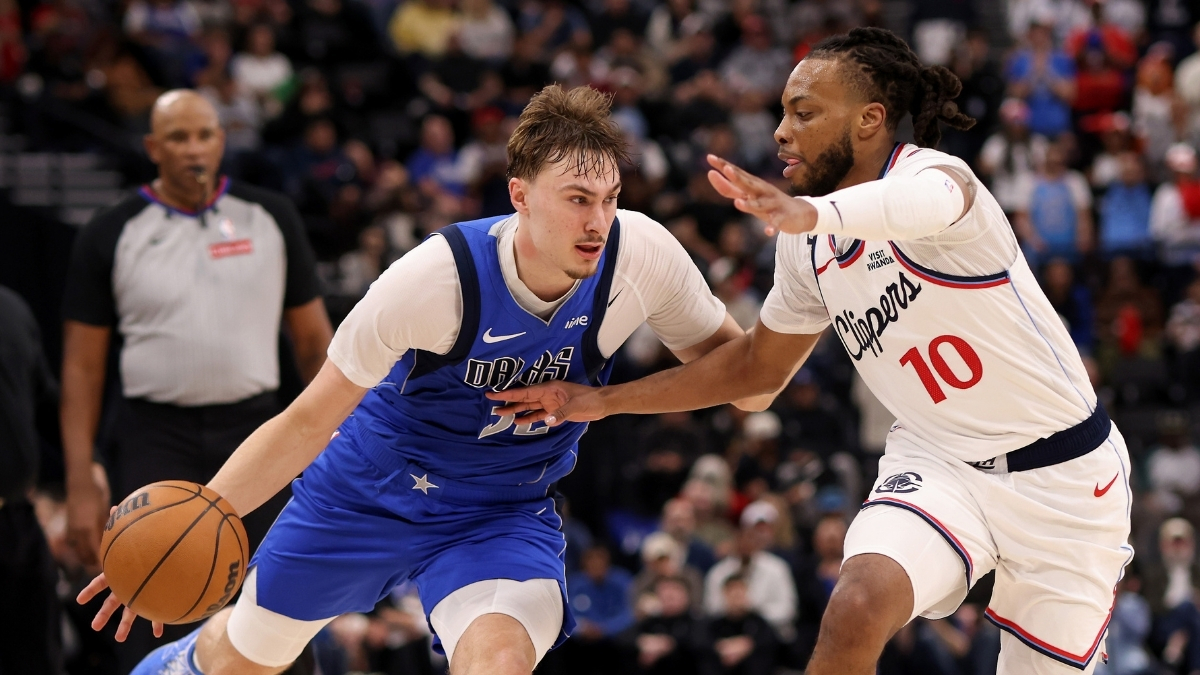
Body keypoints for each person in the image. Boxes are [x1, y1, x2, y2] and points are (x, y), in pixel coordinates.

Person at [493, 27, 1133, 674]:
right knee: (857, 602)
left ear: (869, 120)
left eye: (803, 113)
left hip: (1065, 478)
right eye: (782, 113)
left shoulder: (937, 180)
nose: (781, 131)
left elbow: (918, 204)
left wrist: (816, 215)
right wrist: (599, 401)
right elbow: (756, 373)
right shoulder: (805, 245)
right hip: (941, 461)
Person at [80, 84, 753, 675]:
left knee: (499, 661)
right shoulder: (432, 280)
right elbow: (308, 419)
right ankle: (191, 661)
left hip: (498, 512)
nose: (598, 221)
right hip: (365, 493)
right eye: (577, 199)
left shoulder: (639, 257)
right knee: (244, 656)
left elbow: (749, 381)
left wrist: (609, 399)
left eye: (609, 199)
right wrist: (191, 524)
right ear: (520, 195)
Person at [60, 89, 333, 669]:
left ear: (221, 141)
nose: (193, 149)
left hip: (260, 433)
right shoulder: (111, 230)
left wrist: (337, 439)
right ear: (152, 148)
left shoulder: (271, 217)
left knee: (278, 611)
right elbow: (82, 367)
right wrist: (80, 479)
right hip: (155, 438)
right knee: (154, 603)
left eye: (204, 135)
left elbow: (316, 345)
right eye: (177, 138)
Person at [0, 286, 64, 674]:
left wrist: (87, 468)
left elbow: (48, 403)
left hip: (16, 524)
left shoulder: (9, 308)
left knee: (39, 660)